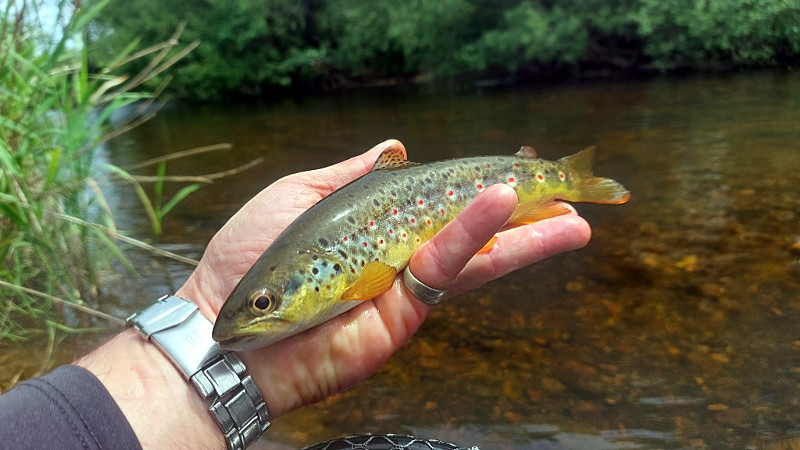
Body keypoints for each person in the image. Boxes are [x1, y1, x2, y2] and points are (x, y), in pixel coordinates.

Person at [0, 139, 591, 449]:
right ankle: (549, 178)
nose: (257, 313)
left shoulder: (337, 271)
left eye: (262, 304)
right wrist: (207, 308)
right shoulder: (304, 277)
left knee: (497, 215)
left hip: (462, 189)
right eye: (263, 304)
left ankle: (554, 178)